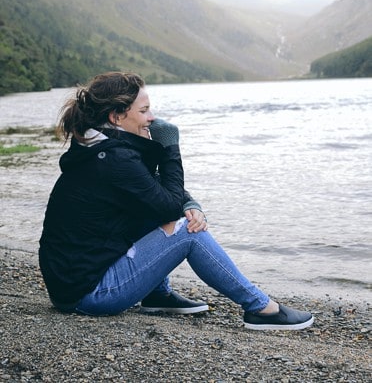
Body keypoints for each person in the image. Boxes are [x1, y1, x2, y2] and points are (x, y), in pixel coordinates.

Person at [39, 71, 314, 330]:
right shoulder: (115, 159)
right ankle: (261, 308)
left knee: (162, 214)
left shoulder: (101, 149)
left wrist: (190, 204)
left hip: (73, 288)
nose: (152, 118)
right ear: (116, 117)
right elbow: (168, 204)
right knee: (188, 234)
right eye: (144, 111)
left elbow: (151, 191)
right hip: (92, 294)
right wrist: (170, 147)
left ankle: (157, 295)